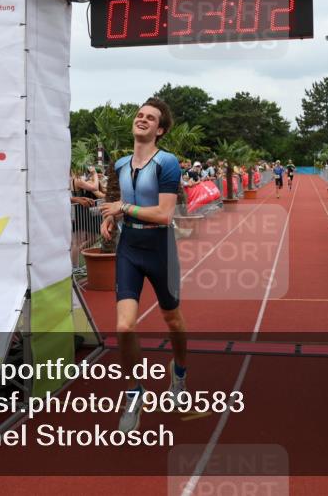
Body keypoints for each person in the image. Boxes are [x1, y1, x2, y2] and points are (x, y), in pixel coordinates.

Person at [100, 98, 187, 433]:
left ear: (160, 129)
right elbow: (121, 205)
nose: (142, 119)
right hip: (129, 248)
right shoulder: (122, 164)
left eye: (150, 118)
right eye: (139, 115)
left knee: (173, 319)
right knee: (124, 327)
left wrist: (122, 208)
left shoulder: (167, 162)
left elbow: (164, 213)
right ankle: (135, 393)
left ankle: (179, 373)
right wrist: (110, 221)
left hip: (160, 247)